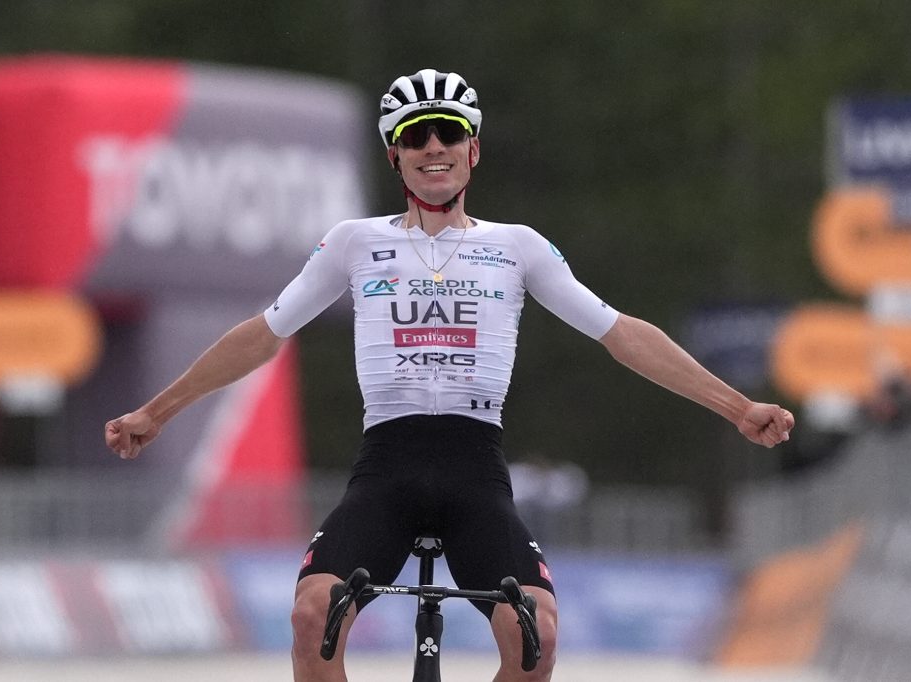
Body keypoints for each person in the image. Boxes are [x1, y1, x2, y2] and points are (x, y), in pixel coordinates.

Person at [105, 68, 795, 681]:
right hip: (386, 469)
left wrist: (737, 407)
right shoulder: (354, 242)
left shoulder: (516, 248)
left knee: (537, 638)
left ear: (473, 149)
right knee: (313, 616)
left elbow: (622, 335)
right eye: (416, 135)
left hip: (475, 472)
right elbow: (262, 335)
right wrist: (155, 412)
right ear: (395, 155)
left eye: (449, 132)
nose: (433, 146)